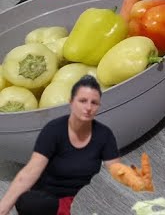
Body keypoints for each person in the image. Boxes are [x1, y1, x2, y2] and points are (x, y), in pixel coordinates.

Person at [0, 77, 120, 215]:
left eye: (94, 103)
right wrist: (3, 207)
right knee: (27, 202)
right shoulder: (53, 130)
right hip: (54, 198)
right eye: (82, 101)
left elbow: (115, 172)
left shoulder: (104, 135)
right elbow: (31, 170)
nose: (87, 108)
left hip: (85, 196)